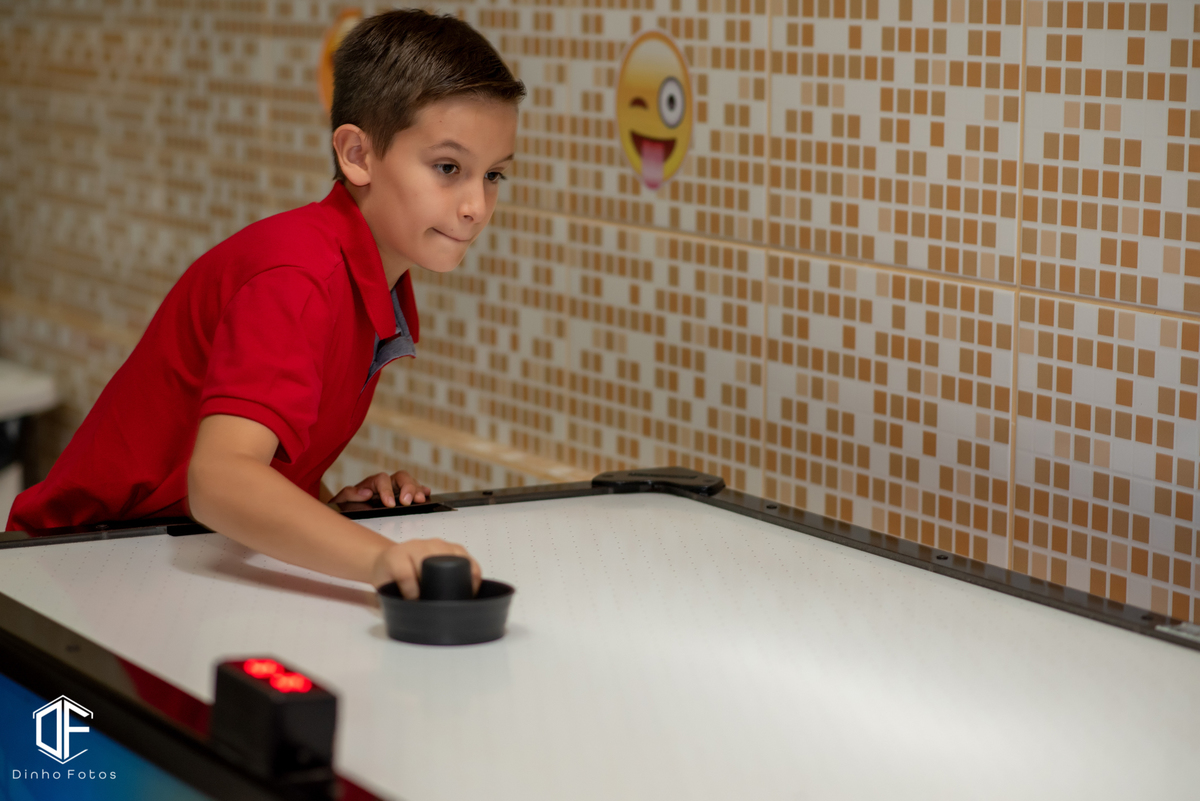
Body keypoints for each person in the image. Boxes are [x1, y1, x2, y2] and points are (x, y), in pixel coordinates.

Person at [6, 9, 524, 600]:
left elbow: (255, 462)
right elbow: (220, 481)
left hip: (160, 560)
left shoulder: (371, 285)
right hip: (65, 575)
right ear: (357, 155)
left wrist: (327, 509)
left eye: (493, 176)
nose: (475, 206)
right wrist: (384, 557)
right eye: (448, 168)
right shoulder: (298, 277)